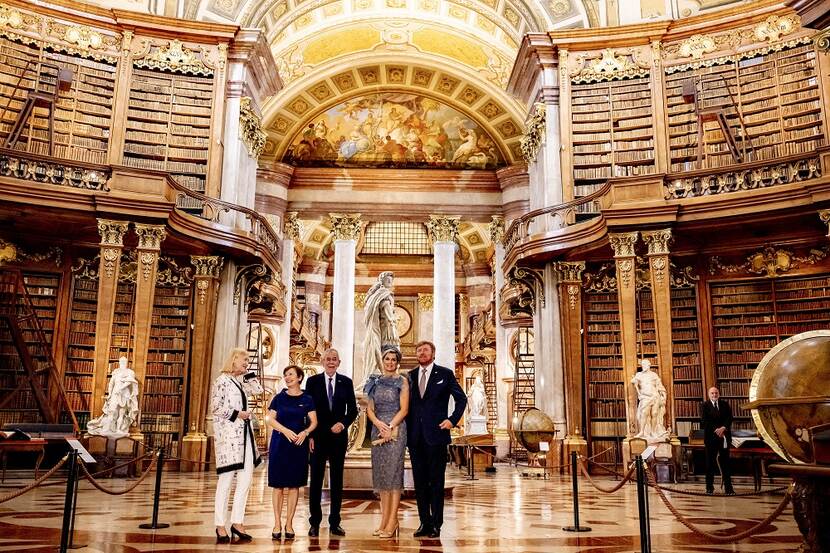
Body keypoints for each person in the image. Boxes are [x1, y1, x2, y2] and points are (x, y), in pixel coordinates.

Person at [407, 340, 467, 538]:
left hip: (437, 436)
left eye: (425, 350)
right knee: (420, 483)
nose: (422, 353)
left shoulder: (445, 374)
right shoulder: (410, 376)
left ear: (433, 353)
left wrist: (452, 420)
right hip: (415, 438)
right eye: (419, 350)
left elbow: (462, 399)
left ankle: (436, 524)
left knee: (436, 481)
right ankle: (424, 522)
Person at [211, 348, 263, 543]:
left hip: (246, 438)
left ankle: (237, 522)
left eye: (249, 360)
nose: (247, 362)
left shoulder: (241, 382)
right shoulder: (221, 381)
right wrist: (237, 414)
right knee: (225, 482)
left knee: (245, 480)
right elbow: (216, 407)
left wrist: (248, 374)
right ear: (233, 360)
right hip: (229, 439)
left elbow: (258, 390)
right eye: (244, 359)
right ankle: (219, 525)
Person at [305, 349, 358, 537]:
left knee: (336, 481)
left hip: (338, 439)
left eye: (334, 359)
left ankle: (335, 522)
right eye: (328, 359)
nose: (331, 362)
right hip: (317, 438)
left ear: (339, 362)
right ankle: (315, 523)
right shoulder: (312, 382)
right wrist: (309, 435)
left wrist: (343, 424)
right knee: (316, 481)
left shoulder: (346, 382)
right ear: (322, 361)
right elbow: (307, 409)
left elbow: (353, 410)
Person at [266, 365, 318, 540]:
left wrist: (306, 432)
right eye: (285, 375)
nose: (287, 378)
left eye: (290, 375)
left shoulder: (308, 399)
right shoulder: (278, 398)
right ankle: (276, 523)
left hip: (298, 446)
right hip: (279, 444)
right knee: (278, 486)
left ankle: (289, 523)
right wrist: (285, 431)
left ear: (299, 377)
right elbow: (270, 419)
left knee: (295, 485)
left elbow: (314, 422)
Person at [365, 345, 409, 538]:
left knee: (393, 475)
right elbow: (369, 409)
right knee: (382, 475)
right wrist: (378, 424)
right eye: (387, 359)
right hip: (378, 428)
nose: (390, 362)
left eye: (393, 359)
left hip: (396, 429)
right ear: (382, 361)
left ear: (397, 362)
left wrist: (389, 427)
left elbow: (404, 409)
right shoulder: (374, 381)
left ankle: (393, 520)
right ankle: (384, 520)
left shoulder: (403, 381)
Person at [360, 271, 400, 385]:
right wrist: (393, 319)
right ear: (382, 282)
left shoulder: (381, 294)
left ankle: (385, 374)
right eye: (388, 280)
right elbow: (387, 310)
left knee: (386, 351)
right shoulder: (384, 295)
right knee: (388, 350)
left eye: (391, 281)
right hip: (387, 328)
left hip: (384, 328)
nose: (390, 282)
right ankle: (385, 375)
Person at [86, 356, 139, 438]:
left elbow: (130, 382)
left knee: (122, 413)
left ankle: (119, 430)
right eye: (121, 362)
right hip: (115, 394)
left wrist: (121, 388)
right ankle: (108, 429)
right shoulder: (116, 372)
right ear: (119, 362)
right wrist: (110, 394)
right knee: (111, 411)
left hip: (125, 394)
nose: (123, 363)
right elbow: (111, 384)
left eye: (124, 362)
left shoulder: (130, 372)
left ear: (127, 363)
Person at [700, 386, 735, 495]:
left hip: (724, 437)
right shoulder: (704, 406)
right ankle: (709, 488)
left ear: (718, 394)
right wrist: (716, 429)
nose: (714, 395)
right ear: (709, 394)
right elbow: (704, 421)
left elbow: (729, 418)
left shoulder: (725, 404)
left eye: (716, 393)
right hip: (711, 438)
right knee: (710, 464)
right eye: (712, 393)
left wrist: (723, 428)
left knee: (726, 463)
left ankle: (729, 488)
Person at [630, 359, 668, 440]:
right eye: (642, 365)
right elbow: (634, 381)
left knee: (654, 414)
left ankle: (653, 432)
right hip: (645, 397)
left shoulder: (654, 375)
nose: (643, 366)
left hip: (655, 396)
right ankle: (642, 432)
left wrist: (664, 396)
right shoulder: (639, 374)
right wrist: (634, 381)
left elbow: (659, 386)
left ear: (649, 365)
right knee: (644, 413)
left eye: (645, 364)